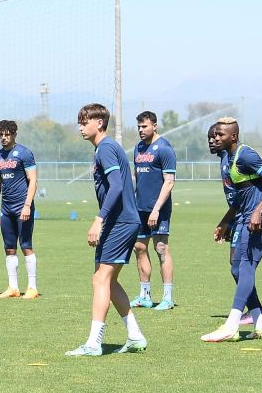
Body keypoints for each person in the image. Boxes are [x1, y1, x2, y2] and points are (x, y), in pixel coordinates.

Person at [65, 103, 148, 357]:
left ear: (99, 123)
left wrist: (99, 219)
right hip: (119, 221)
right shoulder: (104, 149)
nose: (80, 126)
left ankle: (93, 343)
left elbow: (116, 187)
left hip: (120, 222)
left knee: (101, 279)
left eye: (84, 121)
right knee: (106, 280)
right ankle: (134, 336)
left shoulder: (106, 149)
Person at [202, 117, 262, 343]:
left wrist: (259, 210)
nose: (215, 138)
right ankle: (259, 323)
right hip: (243, 217)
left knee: (245, 265)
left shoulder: (245, 154)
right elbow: (240, 197)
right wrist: (225, 221)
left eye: (219, 135)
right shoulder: (227, 158)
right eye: (214, 135)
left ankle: (231, 324)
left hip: (257, 218)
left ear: (234, 136)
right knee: (238, 269)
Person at [131, 111, 178, 311]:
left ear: (155, 126)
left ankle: (167, 298)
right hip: (139, 208)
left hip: (158, 210)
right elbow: (136, 178)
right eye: (139, 127)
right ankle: (145, 296)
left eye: (145, 126)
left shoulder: (164, 149)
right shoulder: (138, 148)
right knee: (139, 248)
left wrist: (156, 210)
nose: (141, 130)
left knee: (161, 249)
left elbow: (169, 182)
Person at [0, 119, 40, 299]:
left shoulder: (24, 153)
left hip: (22, 207)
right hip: (7, 209)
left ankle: (32, 288)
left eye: (7, 134)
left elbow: (33, 180)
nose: (4, 138)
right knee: (9, 248)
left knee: (26, 245)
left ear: (14, 134)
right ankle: (13, 288)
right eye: (1, 135)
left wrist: (27, 205)